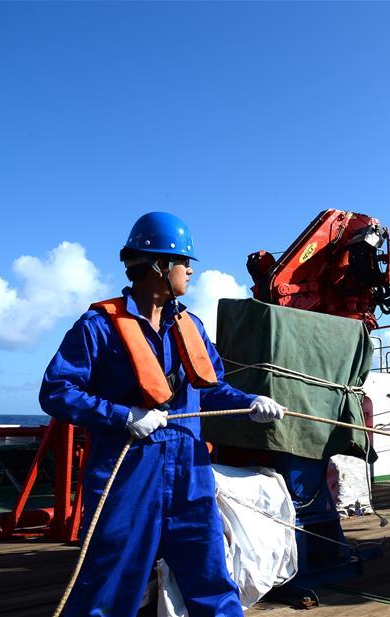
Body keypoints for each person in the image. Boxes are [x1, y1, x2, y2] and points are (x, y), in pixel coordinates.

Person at [39, 212, 285, 616]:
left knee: (211, 577)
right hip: (128, 474)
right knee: (108, 583)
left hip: (190, 471)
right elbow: (56, 391)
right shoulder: (98, 327)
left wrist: (250, 404)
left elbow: (211, 390)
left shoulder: (192, 326)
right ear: (158, 266)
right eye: (184, 262)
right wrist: (123, 415)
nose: (190, 271)